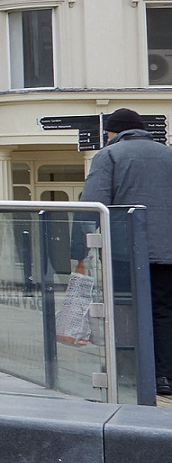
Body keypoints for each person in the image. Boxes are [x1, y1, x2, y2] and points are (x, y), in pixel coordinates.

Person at [82, 108, 172, 398]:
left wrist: (78, 249)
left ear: (113, 132)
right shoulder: (168, 154)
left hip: (125, 251)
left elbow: (93, 204)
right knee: (164, 310)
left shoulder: (109, 155)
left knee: (123, 309)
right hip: (168, 251)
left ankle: (128, 371)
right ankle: (164, 376)